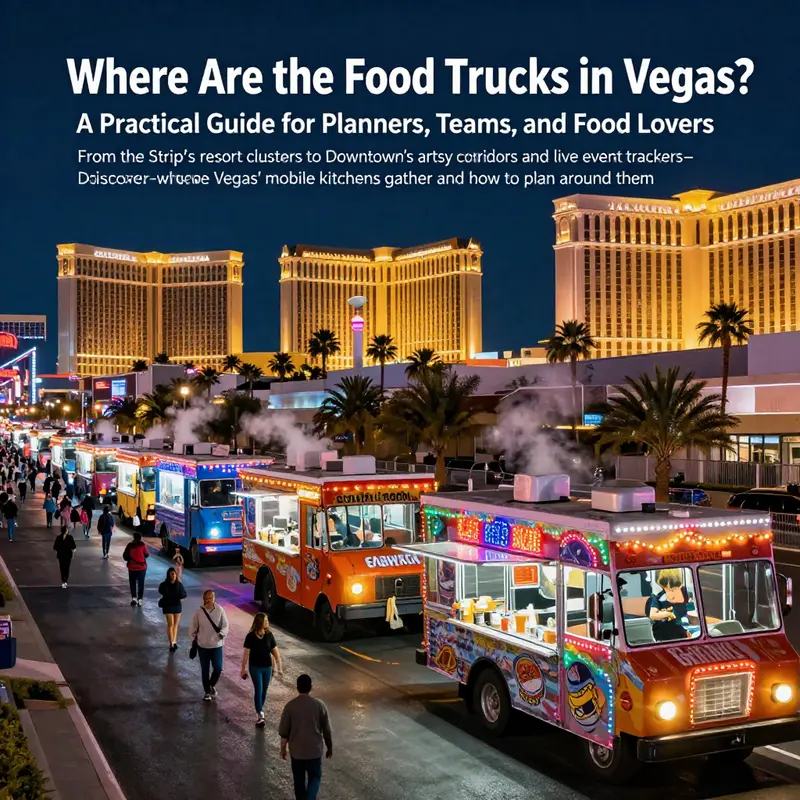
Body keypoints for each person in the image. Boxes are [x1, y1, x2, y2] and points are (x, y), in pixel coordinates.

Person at [279, 674, 333, 800]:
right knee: (315, 778)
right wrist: (329, 747)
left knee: (299, 782)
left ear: (297, 687)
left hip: (297, 753)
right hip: (314, 751)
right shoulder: (319, 705)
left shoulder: (290, 706)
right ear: (311, 687)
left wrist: (283, 749)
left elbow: (284, 733)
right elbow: (327, 730)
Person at [241, 612, 284, 727]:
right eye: (265, 621)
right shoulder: (250, 636)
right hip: (255, 667)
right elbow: (246, 653)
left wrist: (279, 668)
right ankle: (260, 713)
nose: (267, 622)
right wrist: (243, 668)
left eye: (267, 620)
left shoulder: (269, 635)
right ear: (260, 622)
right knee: (258, 689)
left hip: (267, 667)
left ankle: (260, 709)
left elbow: (276, 653)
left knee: (264, 690)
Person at [189, 590, 230, 702]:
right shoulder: (199, 612)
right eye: (207, 598)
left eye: (211, 598)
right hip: (203, 646)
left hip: (216, 645)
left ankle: (211, 684)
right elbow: (193, 628)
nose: (209, 600)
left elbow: (225, 625)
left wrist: (221, 635)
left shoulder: (220, 610)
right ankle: (207, 691)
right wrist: (194, 640)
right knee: (205, 669)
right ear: (204, 599)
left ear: (214, 599)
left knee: (218, 667)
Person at [647, 568, 697, 643]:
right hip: (664, 636)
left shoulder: (687, 593)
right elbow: (652, 615)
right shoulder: (657, 597)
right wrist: (669, 614)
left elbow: (695, 614)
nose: (670, 593)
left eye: (673, 589)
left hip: (685, 634)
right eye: (666, 588)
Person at [158, 567, 187, 652]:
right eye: (172, 574)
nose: (174, 575)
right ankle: (172, 643)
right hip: (169, 606)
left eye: (174, 574)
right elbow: (161, 591)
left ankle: (174, 642)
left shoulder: (177, 584)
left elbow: (184, 595)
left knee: (175, 625)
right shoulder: (167, 585)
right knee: (171, 625)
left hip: (175, 606)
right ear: (169, 575)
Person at [123, 531, 149, 605]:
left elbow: (125, 556)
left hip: (132, 568)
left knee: (132, 583)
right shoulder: (142, 545)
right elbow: (147, 554)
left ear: (134, 538)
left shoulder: (130, 545)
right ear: (140, 538)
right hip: (142, 568)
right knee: (141, 584)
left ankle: (134, 598)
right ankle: (140, 599)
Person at [53, 523, 76, 588]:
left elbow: (55, 547)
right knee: (66, 567)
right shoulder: (70, 537)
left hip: (61, 555)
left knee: (62, 567)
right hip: (67, 555)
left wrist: (59, 549)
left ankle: (63, 579)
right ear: (66, 531)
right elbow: (73, 546)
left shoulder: (58, 538)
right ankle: (65, 579)